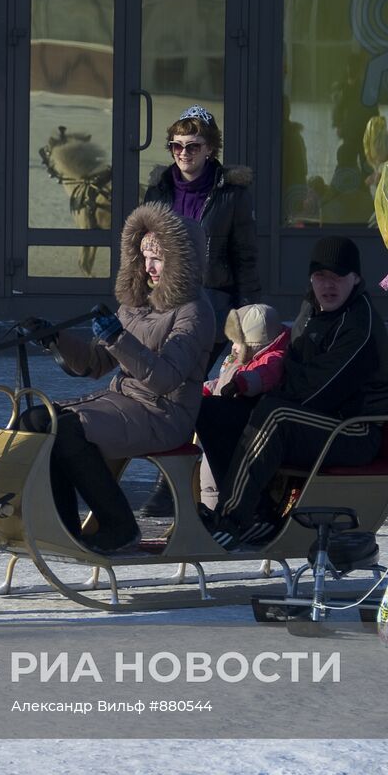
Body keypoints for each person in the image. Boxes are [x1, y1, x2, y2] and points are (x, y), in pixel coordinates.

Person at [19, 202, 214, 553]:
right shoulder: (136, 303)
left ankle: (119, 526)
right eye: (143, 257)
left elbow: (166, 378)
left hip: (165, 414)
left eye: (158, 258)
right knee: (36, 420)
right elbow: (94, 363)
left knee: (64, 432)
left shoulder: (194, 312)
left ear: (180, 262)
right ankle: (63, 526)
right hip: (124, 402)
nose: (149, 267)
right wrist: (54, 338)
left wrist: (118, 338)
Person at [198, 236, 388, 549]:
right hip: (310, 417)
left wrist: (265, 398)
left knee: (274, 415)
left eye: (337, 277)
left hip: (352, 429)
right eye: (320, 277)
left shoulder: (359, 325)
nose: (327, 286)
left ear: (355, 278)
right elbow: (290, 365)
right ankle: (259, 514)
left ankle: (233, 518)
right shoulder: (312, 308)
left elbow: (320, 392)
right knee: (211, 411)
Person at [139, 104, 259, 517]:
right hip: (163, 303)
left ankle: (167, 485)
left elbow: (245, 257)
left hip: (212, 303)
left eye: (193, 146)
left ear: (210, 149)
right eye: (176, 146)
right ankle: (174, 480)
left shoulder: (231, 194)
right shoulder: (158, 191)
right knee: (165, 388)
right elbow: (141, 251)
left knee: (183, 387)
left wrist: (245, 319)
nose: (183, 154)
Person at [197, 303, 289, 510]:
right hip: (219, 420)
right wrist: (206, 389)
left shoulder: (271, 358)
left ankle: (222, 513)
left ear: (256, 343)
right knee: (208, 476)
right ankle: (211, 512)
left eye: (239, 342)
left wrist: (243, 383)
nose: (234, 347)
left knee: (220, 474)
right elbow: (221, 381)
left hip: (240, 428)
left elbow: (263, 376)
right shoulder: (237, 359)